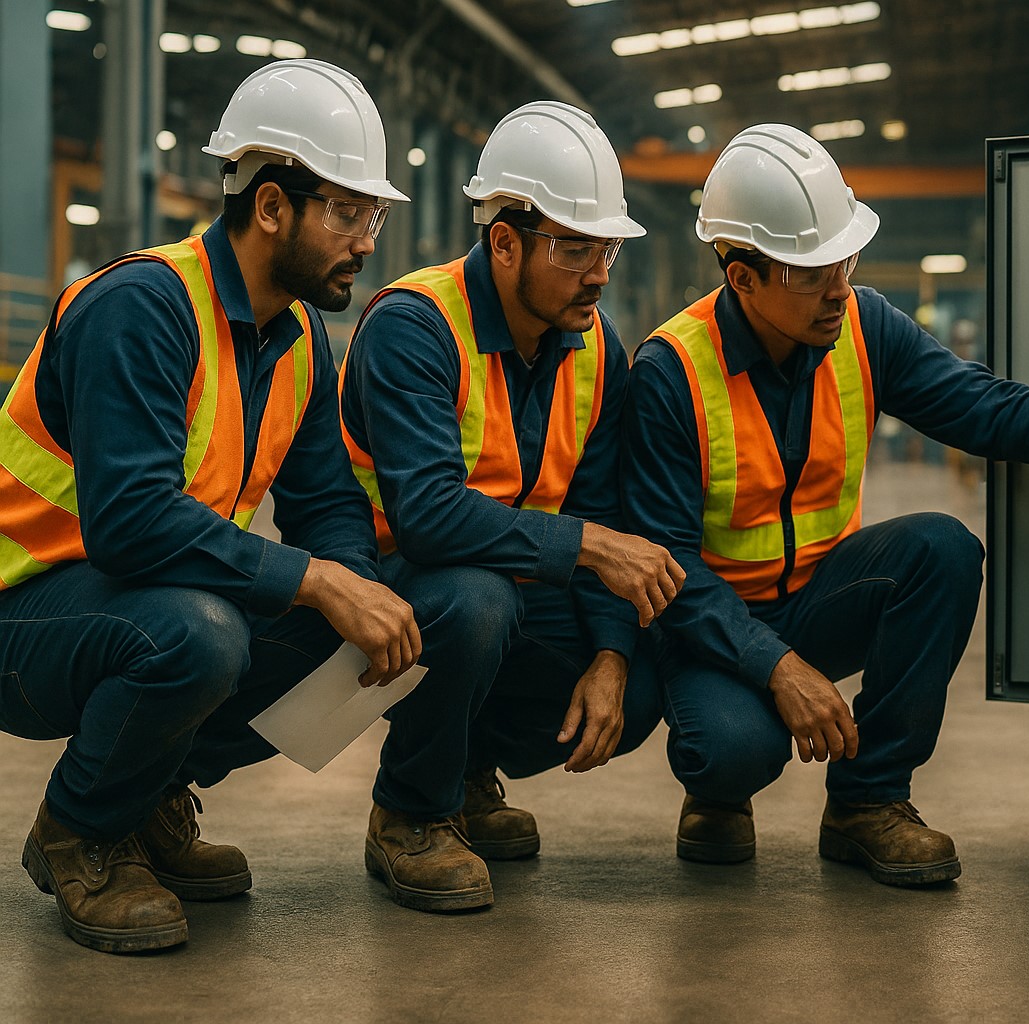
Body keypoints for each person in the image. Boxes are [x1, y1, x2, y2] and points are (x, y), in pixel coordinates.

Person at [622, 124, 1029, 887]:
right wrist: (777, 668)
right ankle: (718, 793)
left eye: (844, 261)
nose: (839, 288)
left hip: (818, 599)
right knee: (731, 751)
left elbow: (987, 409)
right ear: (743, 278)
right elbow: (667, 571)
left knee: (942, 549)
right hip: (713, 623)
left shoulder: (863, 326)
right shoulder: (670, 371)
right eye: (814, 273)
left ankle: (867, 801)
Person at [0, 59, 421, 953]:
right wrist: (317, 581)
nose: (365, 241)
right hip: (24, 611)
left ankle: (148, 797)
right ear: (270, 206)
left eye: (372, 217)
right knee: (201, 634)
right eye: (347, 213)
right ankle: (79, 831)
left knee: (362, 620)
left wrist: (354, 586)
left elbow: (327, 502)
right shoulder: (141, 307)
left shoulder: (299, 337)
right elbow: (130, 523)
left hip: (128, 600)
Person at [339, 101, 683, 912]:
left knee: (641, 671)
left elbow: (598, 505)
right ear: (503, 242)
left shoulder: (595, 346)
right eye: (575, 249)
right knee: (477, 600)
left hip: (509, 575)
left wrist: (611, 655)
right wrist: (590, 546)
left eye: (606, 249)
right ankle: (409, 813)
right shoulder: (415, 326)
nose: (599, 274)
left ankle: (463, 773)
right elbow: (428, 516)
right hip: (382, 590)